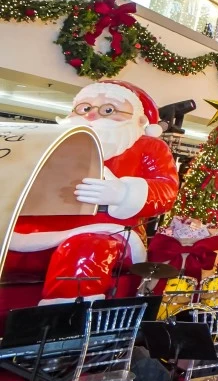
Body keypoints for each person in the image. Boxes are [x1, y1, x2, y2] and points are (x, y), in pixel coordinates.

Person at [10, 81, 180, 301]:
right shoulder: (52, 141)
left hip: (108, 231)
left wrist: (123, 193)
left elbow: (166, 189)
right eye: (84, 108)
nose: (91, 116)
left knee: (86, 251)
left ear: (138, 120)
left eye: (108, 110)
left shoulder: (148, 147)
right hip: (30, 231)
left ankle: (65, 325)